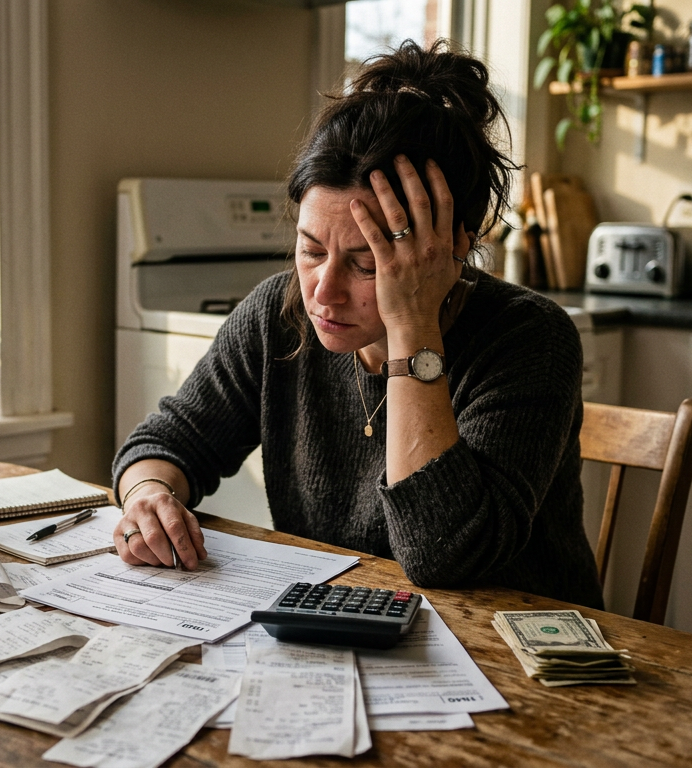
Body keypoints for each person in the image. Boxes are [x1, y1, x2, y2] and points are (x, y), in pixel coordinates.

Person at [110, 39, 603, 609]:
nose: (323, 290)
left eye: (367, 264)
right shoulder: (279, 315)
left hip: (517, 652)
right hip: (344, 632)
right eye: (311, 249)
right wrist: (149, 494)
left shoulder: (530, 339)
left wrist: (413, 324)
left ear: (453, 247)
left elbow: (442, 557)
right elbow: (167, 442)